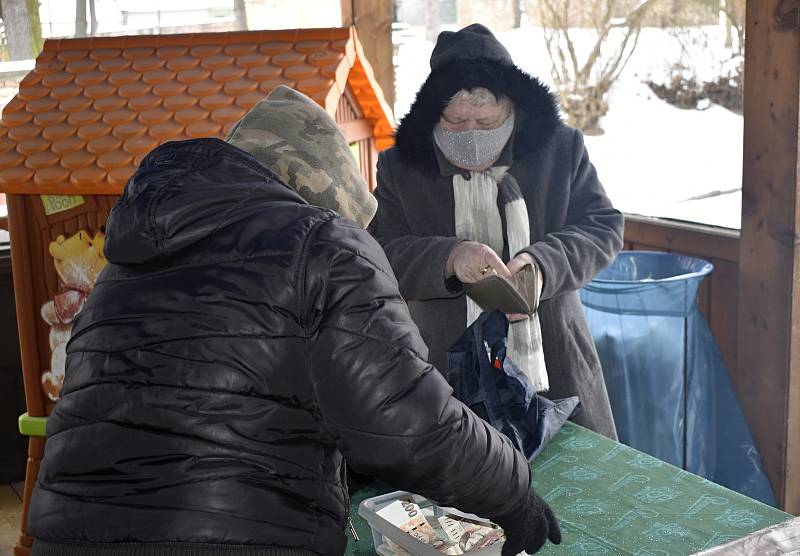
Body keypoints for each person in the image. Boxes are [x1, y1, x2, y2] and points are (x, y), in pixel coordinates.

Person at [27, 86, 560, 556]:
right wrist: (512, 491)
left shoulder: (121, 265)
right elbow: (409, 420)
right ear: (325, 189)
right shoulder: (322, 244)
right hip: (229, 539)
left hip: (62, 536)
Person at [369, 23, 623, 439]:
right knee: (458, 491)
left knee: (580, 485)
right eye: (454, 120)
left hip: (555, 359)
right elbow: (380, 251)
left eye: (486, 123)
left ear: (513, 108)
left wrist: (541, 264)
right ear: (433, 112)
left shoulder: (559, 149)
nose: (470, 134)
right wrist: (451, 257)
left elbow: (603, 226)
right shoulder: (401, 167)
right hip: (444, 371)